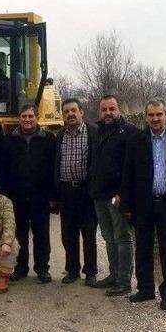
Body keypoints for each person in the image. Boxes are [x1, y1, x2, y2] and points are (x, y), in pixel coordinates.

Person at [121, 98, 166, 310]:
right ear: (146, 117)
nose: (155, 119)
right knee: (143, 247)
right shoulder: (136, 141)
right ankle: (145, 289)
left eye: (159, 114)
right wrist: (126, 205)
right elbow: (128, 173)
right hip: (143, 204)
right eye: (151, 115)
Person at [0, 104, 57, 282]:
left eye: (31, 116)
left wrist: (53, 196)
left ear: (37, 117)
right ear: (19, 118)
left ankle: (42, 269)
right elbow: (4, 169)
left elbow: (54, 168)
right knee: (20, 235)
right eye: (24, 116)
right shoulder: (9, 140)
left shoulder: (48, 139)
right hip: (17, 196)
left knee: (41, 234)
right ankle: (21, 268)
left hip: (41, 196)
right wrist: (5, 195)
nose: (27, 119)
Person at [89, 95, 136, 296]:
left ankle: (124, 281)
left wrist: (124, 194)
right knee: (108, 237)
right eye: (104, 109)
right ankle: (113, 275)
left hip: (118, 196)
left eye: (112, 109)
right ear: (99, 112)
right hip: (100, 194)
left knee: (122, 238)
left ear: (119, 110)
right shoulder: (98, 131)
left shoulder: (130, 133)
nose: (108, 113)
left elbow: (132, 168)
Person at [55, 98, 99, 286]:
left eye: (74, 110)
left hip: (86, 191)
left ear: (81, 112)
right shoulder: (60, 135)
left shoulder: (93, 132)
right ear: (63, 115)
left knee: (89, 233)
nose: (70, 114)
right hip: (66, 191)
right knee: (68, 233)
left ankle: (90, 271)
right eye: (66, 111)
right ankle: (72, 270)